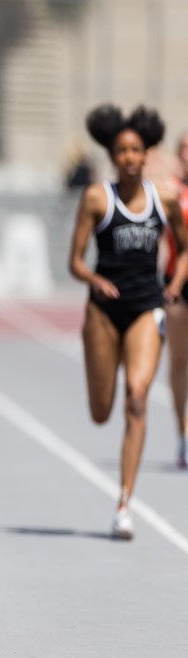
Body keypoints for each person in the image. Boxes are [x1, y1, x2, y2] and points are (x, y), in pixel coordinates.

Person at [68, 103, 188, 540]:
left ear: (147, 153)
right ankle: (102, 393)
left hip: (145, 308)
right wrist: (94, 279)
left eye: (137, 150)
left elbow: (185, 249)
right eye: (121, 150)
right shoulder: (98, 197)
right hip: (103, 311)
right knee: (102, 412)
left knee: (136, 398)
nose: (130, 157)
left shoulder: (166, 199)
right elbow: (74, 261)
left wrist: (175, 281)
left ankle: (123, 505)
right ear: (112, 155)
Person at [162, 131, 188, 468]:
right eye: (185, 150)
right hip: (177, 287)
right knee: (179, 363)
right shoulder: (169, 192)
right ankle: (182, 432)